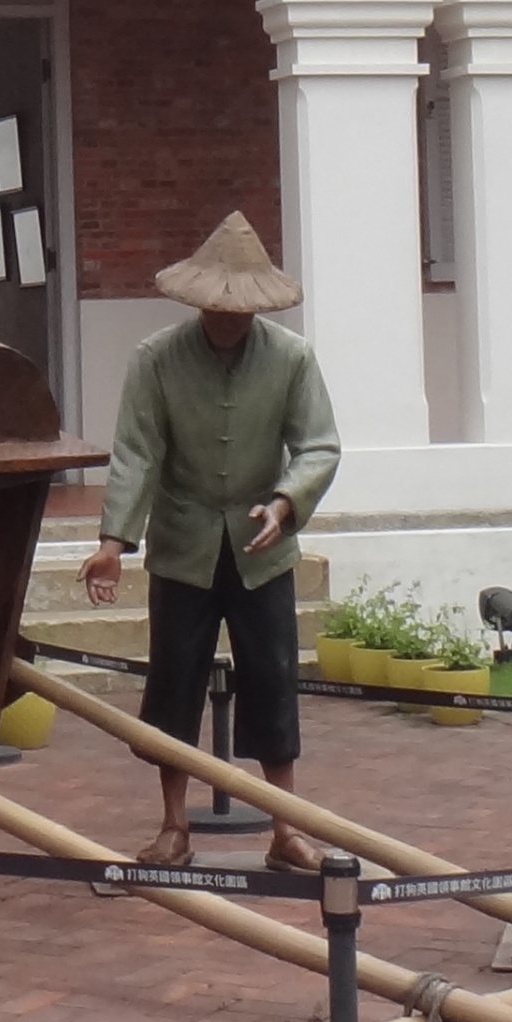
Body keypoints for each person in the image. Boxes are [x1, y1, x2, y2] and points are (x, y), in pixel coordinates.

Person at [78, 211, 338, 874]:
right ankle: (173, 825)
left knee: (273, 682)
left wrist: (285, 501)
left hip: (261, 548)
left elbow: (318, 445)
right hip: (183, 545)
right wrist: (114, 540)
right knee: (173, 684)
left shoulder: (290, 358)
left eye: (239, 310)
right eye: (216, 309)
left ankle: (286, 828)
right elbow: (137, 452)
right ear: (196, 303)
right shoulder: (156, 359)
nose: (228, 320)